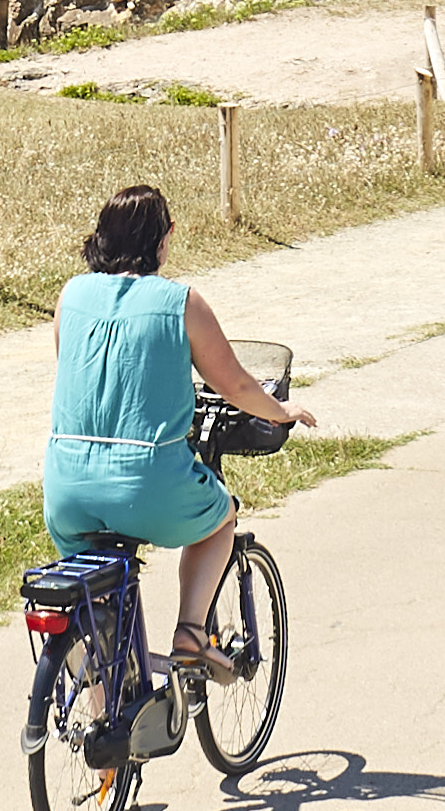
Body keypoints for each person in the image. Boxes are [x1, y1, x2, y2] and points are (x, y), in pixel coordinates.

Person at [44, 180, 293, 672]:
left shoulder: (70, 295)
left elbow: (76, 373)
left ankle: (102, 722)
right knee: (220, 518)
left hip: (66, 489)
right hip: (147, 485)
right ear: (165, 238)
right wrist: (282, 412)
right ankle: (191, 633)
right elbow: (237, 386)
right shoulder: (181, 302)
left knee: (96, 618)